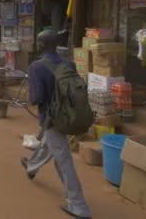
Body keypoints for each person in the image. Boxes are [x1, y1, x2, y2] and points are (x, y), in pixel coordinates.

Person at [21, 29, 92, 219]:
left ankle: (79, 206)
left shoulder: (36, 67)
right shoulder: (68, 63)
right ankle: (31, 166)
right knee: (51, 144)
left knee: (63, 160)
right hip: (69, 117)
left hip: (52, 119)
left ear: (42, 45)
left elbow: (36, 98)